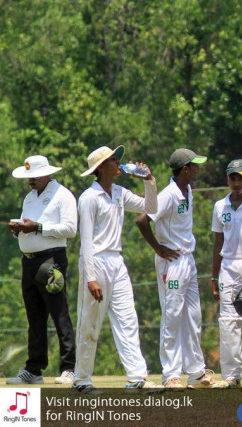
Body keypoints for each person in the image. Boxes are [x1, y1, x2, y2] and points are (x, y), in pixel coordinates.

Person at [73, 145, 159, 394]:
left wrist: (149, 180)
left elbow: (150, 208)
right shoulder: (89, 198)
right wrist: (91, 277)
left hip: (117, 263)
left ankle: (136, 378)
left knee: (127, 319)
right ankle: (81, 381)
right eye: (113, 160)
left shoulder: (119, 193)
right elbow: (86, 241)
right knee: (90, 323)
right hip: (96, 262)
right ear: (100, 168)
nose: (118, 162)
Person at [135, 148, 216, 389]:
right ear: (185, 169)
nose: (198, 169)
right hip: (171, 262)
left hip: (187, 260)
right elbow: (142, 220)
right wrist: (158, 249)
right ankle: (170, 374)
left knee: (193, 316)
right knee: (172, 315)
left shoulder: (187, 189)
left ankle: (196, 373)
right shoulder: (168, 194)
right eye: (194, 166)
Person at [7, 155, 77, 385]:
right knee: (34, 316)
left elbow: (70, 229)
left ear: (47, 173)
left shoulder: (63, 195)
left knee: (58, 312)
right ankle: (34, 369)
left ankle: (69, 368)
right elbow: (32, 226)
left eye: (34, 176)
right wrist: (20, 230)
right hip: (28, 262)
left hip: (51, 261)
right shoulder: (29, 197)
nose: (30, 181)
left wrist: (37, 227)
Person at [211, 159, 242, 388]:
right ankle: (232, 375)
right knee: (228, 321)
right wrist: (214, 276)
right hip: (228, 267)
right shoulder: (220, 206)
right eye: (233, 178)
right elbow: (218, 243)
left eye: (241, 178)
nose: (237, 183)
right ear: (227, 180)